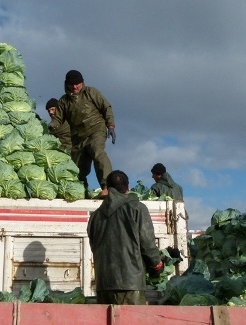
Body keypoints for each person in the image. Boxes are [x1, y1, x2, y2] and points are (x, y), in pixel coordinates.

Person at [87, 170, 163, 305]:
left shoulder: (95, 216)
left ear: (108, 189)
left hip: (103, 285)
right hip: (131, 285)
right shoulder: (137, 208)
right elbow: (147, 244)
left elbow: (94, 247)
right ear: (128, 187)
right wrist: (157, 264)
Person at [49, 70, 115, 198]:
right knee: (78, 168)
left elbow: (106, 107)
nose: (75, 87)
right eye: (71, 84)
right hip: (78, 138)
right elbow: (58, 119)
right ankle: (82, 192)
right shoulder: (63, 101)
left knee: (98, 153)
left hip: (96, 130)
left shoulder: (91, 92)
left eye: (77, 84)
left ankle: (107, 187)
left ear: (82, 82)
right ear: (66, 85)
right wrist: (52, 125)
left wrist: (110, 126)